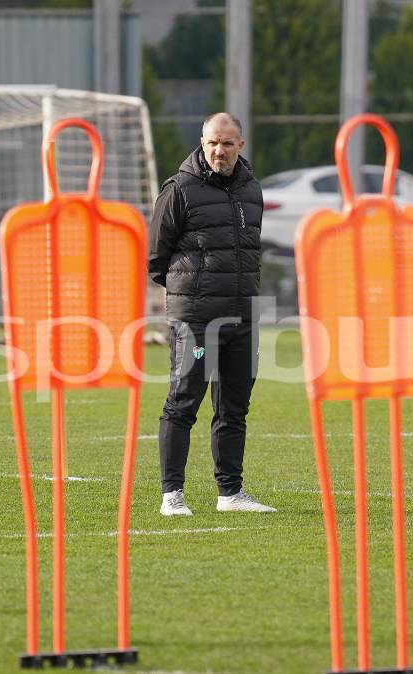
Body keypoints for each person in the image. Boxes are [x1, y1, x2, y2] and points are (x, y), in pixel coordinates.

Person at [147, 112, 275, 516]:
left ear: (241, 145)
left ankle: (230, 494)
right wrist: (191, 295)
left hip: (243, 314)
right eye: (211, 143)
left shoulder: (252, 189)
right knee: (183, 402)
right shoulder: (180, 188)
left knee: (234, 407)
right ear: (202, 143)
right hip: (196, 318)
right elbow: (156, 257)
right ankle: (172, 496)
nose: (219, 150)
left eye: (226, 143)